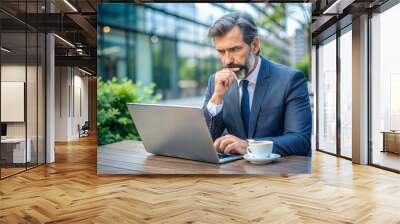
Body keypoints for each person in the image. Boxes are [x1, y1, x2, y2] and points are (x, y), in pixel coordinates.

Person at [202, 12, 312, 157]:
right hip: (233, 173)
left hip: (280, 174)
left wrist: (249, 146)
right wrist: (217, 98)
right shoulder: (216, 82)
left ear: (254, 45)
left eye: (234, 49)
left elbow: (300, 141)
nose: (227, 60)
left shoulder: (290, 80)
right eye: (221, 52)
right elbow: (204, 140)